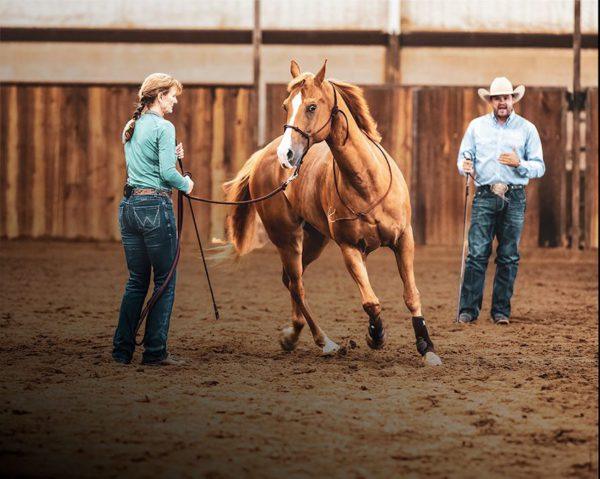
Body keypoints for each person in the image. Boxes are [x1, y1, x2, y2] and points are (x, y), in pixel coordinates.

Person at [112, 73, 194, 365]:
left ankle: (122, 351)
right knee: (164, 280)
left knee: (137, 281)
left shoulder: (131, 126)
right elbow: (167, 173)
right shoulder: (164, 126)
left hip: (129, 206)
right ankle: (155, 351)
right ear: (160, 96)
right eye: (172, 96)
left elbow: (144, 162)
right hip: (155, 207)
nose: (175, 101)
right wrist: (186, 183)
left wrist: (169, 152)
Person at [456, 77, 545, 325]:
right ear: (491, 101)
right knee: (476, 254)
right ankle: (468, 310)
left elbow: (540, 167)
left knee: (508, 256)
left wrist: (520, 164)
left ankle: (500, 311)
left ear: (513, 99)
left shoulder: (527, 129)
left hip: (514, 196)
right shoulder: (476, 127)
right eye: (497, 98)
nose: (502, 102)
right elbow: (464, 158)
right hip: (484, 194)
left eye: (506, 97)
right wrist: (465, 166)